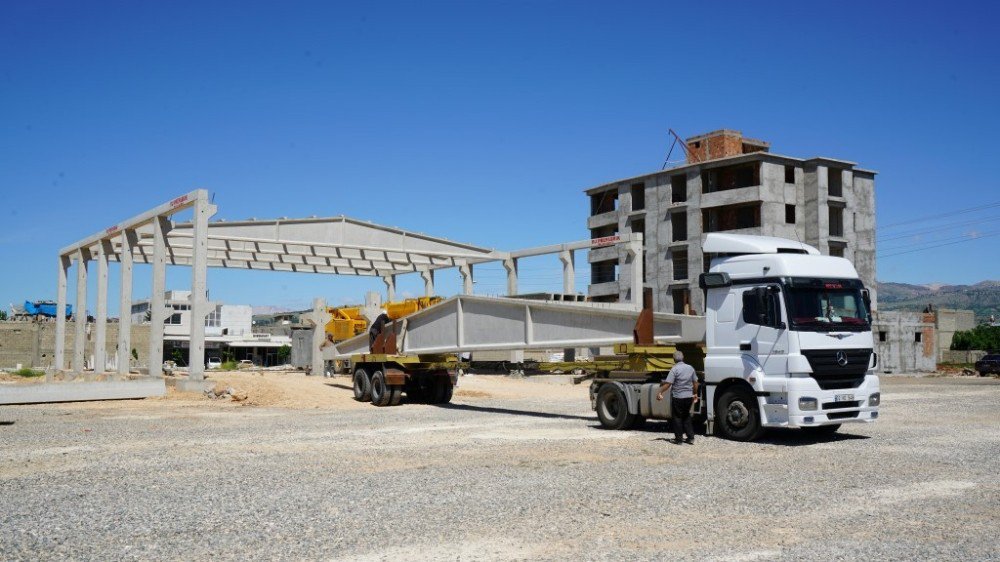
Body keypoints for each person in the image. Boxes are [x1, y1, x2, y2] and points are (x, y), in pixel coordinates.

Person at [656, 351, 699, 444]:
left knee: (677, 417)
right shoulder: (690, 368)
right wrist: (695, 393)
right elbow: (695, 382)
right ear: (683, 357)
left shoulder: (674, 369)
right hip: (688, 397)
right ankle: (691, 437)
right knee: (686, 416)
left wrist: (660, 392)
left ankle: (679, 439)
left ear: (674, 359)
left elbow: (668, 384)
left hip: (678, 397)